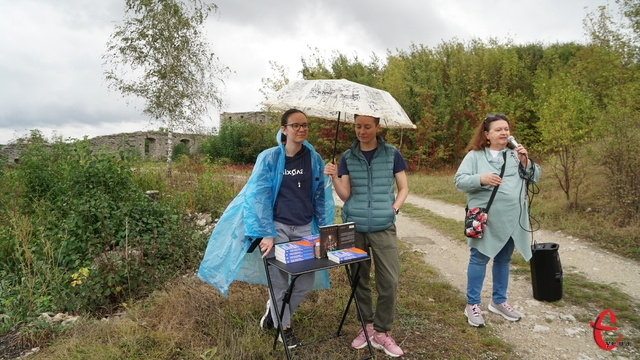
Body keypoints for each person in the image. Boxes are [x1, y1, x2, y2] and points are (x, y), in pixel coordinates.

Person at [246, 108, 335, 349]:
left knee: (305, 282)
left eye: (305, 125)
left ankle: (273, 312)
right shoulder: (270, 158)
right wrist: (267, 232)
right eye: (295, 125)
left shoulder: (314, 159)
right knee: (279, 282)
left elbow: (319, 196)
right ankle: (283, 328)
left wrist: (325, 231)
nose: (301, 129)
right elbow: (260, 196)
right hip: (277, 227)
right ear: (283, 129)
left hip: (305, 227)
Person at [324, 114, 408, 358]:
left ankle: (382, 332)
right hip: (354, 227)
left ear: (377, 127)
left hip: (383, 227)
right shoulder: (348, 157)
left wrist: (394, 209)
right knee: (358, 279)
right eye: (358, 126)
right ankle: (367, 326)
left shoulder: (392, 154)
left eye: (367, 126)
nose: (362, 131)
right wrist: (334, 177)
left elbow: (403, 187)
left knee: (389, 281)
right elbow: (346, 195)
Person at [454, 113, 541, 327]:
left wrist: (526, 162)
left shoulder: (515, 155)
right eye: (498, 129)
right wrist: (480, 179)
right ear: (486, 134)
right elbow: (459, 181)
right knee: (479, 259)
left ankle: (498, 301)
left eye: (506, 129)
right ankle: (472, 304)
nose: (504, 132)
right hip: (486, 219)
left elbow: (535, 177)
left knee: (503, 260)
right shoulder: (475, 156)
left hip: (513, 219)